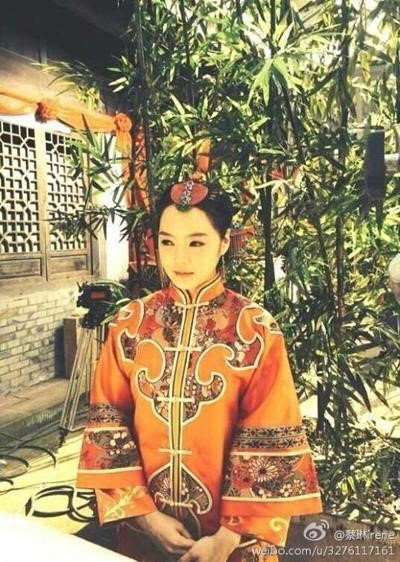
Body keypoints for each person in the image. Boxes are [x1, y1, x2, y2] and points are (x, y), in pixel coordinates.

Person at [76, 180, 323, 562]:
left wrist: (225, 539)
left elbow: (271, 441)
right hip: (143, 536)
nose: (180, 258)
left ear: (223, 243)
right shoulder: (129, 325)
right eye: (167, 242)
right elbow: (108, 428)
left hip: (235, 545)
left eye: (196, 243)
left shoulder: (256, 330)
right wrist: (146, 518)